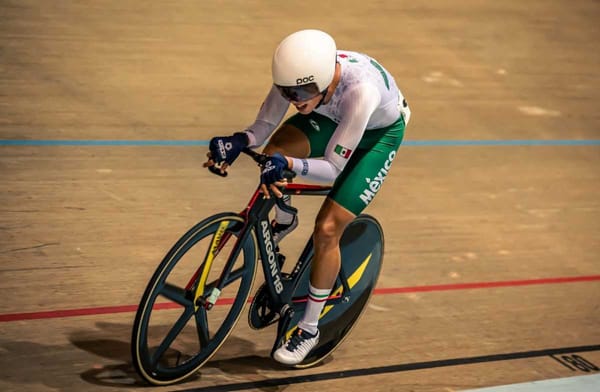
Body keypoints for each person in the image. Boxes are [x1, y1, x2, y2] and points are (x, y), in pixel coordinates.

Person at [204, 29, 410, 365]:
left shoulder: (361, 92)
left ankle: (309, 328)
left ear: (325, 79)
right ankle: (284, 216)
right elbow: (265, 124)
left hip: (377, 135)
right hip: (331, 115)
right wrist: (239, 140)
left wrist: (287, 164)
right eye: (288, 91)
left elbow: (331, 167)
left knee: (328, 228)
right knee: (275, 151)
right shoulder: (298, 78)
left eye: (303, 91)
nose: (296, 98)